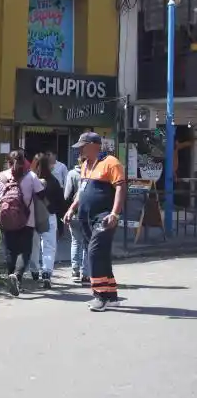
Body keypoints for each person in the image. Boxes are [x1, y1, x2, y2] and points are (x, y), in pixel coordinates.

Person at [63, 132, 126, 312]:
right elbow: (82, 192)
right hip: (86, 218)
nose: (80, 150)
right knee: (101, 255)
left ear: (93, 146)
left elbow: (121, 187)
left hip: (104, 217)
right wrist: (71, 209)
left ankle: (99, 295)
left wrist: (114, 213)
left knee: (94, 253)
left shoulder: (111, 162)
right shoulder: (85, 165)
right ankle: (111, 296)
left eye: (82, 147)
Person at [0, 150, 46, 297]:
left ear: (8, 162)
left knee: (10, 251)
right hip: (27, 220)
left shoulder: (0, 177)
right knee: (25, 251)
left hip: (6, 220)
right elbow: (42, 196)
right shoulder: (31, 176)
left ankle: (11, 277)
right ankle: (17, 276)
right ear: (23, 161)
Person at [31, 153, 65, 288]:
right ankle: (46, 273)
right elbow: (61, 202)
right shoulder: (54, 181)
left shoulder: (30, 180)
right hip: (49, 216)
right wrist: (61, 223)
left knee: (33, 245)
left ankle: (34, 270)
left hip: (33, 216)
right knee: (49, 246)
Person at [64, 155, 88, 283]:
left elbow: (67, 195)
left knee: (75, 242)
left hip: (74, 213)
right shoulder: (92, 174)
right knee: (86, 243)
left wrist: (68, 211)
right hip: (88, 214)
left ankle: (75, 270)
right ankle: (86, 273)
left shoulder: (72, 174)